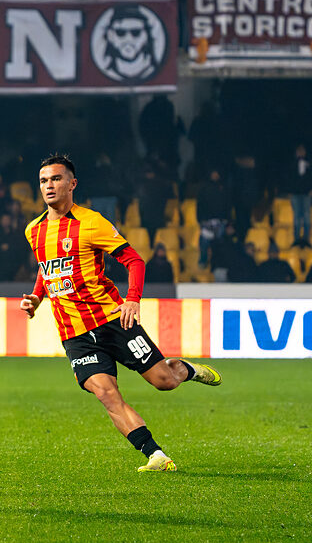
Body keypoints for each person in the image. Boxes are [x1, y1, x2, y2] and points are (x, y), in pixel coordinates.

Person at [19, 154, 221, 473]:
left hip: (113, 320)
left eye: (56, 179)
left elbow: (134, 260)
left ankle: (187, 369)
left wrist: (132, 299)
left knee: (164, 381)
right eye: (44, 180)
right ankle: (156, 455)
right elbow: (48, 269)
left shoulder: (91, 222)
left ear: (72, 184)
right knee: (106, 393)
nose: (49, 186)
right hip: (74, 334)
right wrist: (37, 297)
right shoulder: (34, 230)